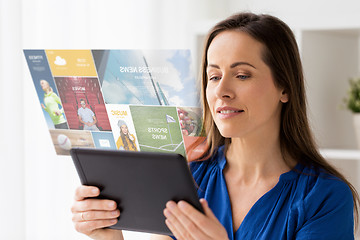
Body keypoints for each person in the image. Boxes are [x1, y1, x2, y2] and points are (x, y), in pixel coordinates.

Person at [71, 12, 359, 240]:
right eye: (213, 76)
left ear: (284, 87)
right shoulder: (189, 177)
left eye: (242, 75)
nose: (222, 91)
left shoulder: (325, 197)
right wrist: (108, 237)